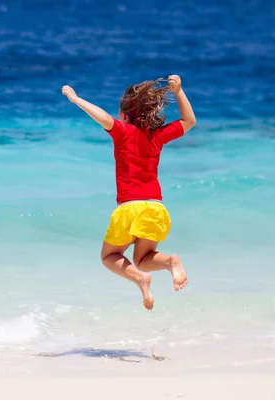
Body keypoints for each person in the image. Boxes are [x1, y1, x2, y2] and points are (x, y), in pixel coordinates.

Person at [61, 75, 196, 310]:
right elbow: (188, 121)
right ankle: (170, 262)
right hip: (155, 207)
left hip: (129, 207)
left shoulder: (123, 132)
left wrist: (76, 99)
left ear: (124, 115)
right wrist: (179, 92)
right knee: (143, 259)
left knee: (108, 257)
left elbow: (102, 117)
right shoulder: (157, 137)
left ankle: (140, 279)